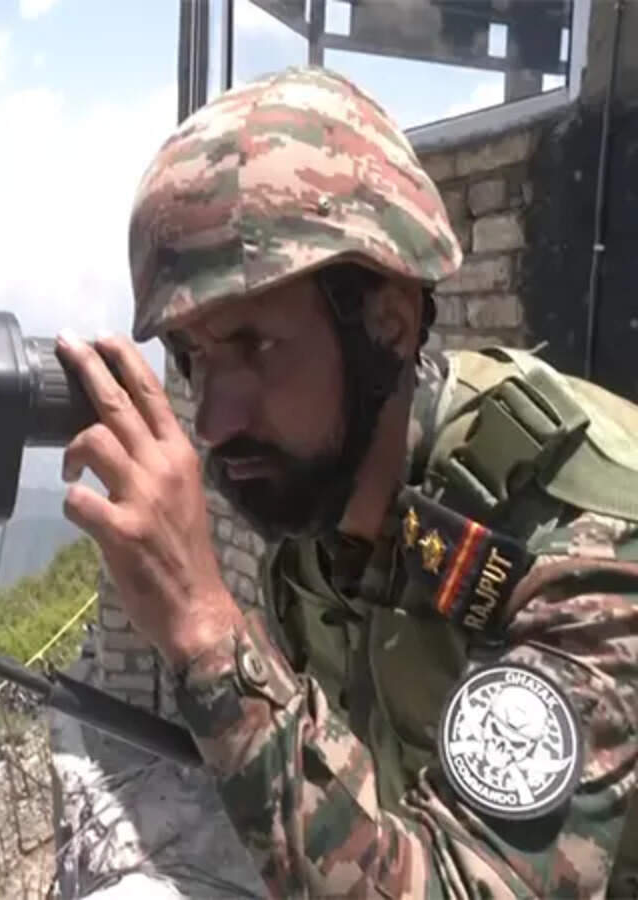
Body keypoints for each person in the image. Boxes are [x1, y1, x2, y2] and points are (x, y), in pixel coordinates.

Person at [55, 65, 638, 898]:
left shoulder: (584, 544)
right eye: (190, 357)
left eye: (254, 346)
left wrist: (203, 628)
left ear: (389, 322)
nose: (212, 420)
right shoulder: (324, 536)